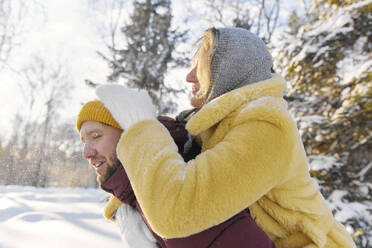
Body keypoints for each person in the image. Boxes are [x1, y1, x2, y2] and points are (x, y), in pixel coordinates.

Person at [95, 27, 356, 248]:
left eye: (201, 65)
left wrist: (140, 126)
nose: (189, 76)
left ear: (229, 70)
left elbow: (176, 213)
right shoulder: (217, 126)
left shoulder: (267, 125)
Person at [76, 100, 274, 247]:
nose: (87, 152)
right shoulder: (134, 195)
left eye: (96, 136)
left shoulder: (182, 180)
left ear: (129, 132)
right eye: (83, 141)